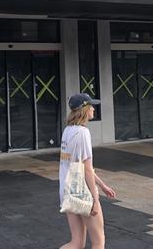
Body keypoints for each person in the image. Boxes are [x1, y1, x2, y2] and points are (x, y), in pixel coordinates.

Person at [60, 93, 116, 249]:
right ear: (83, 109)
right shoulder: (83, 133)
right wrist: (95, 200)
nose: (93, 108)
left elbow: (80, 166)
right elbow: (87, 170)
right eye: (90, 105)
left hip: (68, 191)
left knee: (76, 242)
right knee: (99, 241)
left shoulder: (68, 131)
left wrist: (103, 186)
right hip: (83, 192)